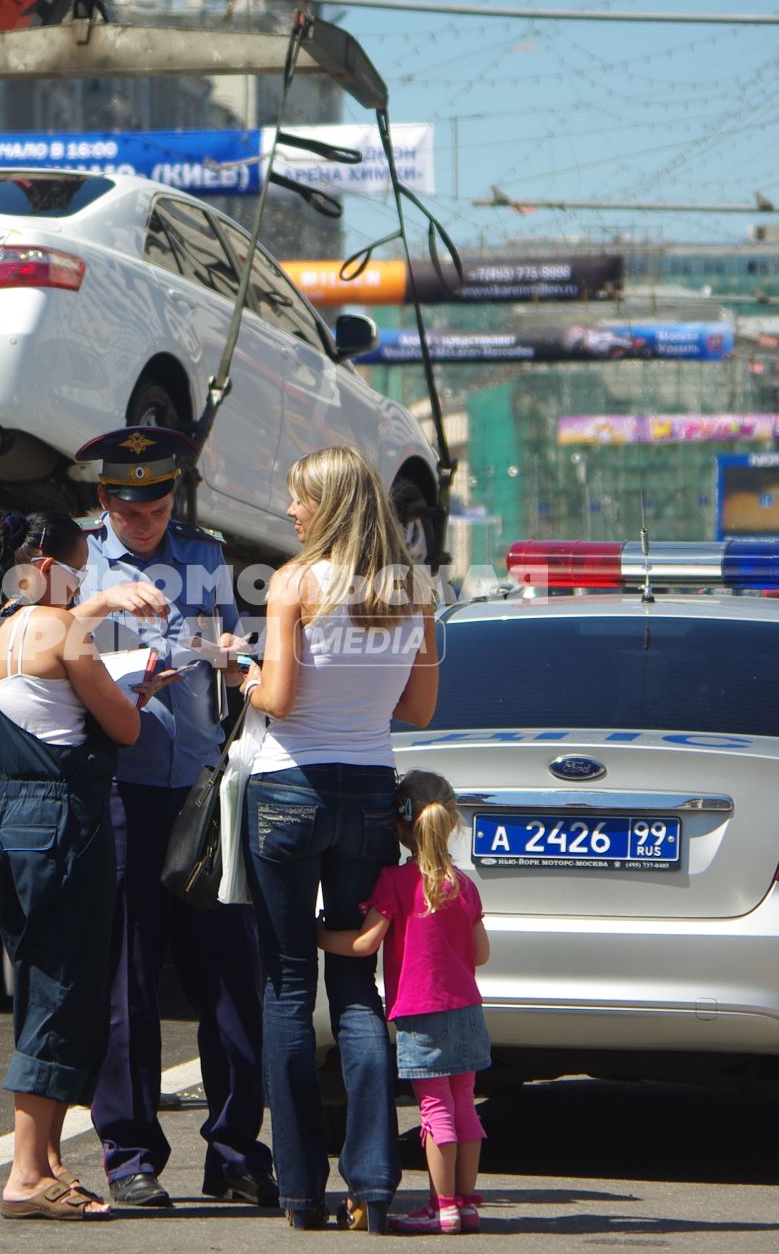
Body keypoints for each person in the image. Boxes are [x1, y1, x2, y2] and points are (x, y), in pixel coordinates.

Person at [69, 425, 276, 1209]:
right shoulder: (79, 564)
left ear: (171, 498)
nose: (142, 520)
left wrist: (227, 649)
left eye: (154, 505)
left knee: (228, 973)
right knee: (126, 979)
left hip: (195, 784)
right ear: (103, 501)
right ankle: (129, 1152)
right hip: (118, 787)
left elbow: (227, 646)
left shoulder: (203, 555)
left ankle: (233, 1148)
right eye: (127, 507)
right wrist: (98, 608)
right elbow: (47, 644)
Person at [240, 445, 440, 1232]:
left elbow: (280, 700)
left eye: (299, 501)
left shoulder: (293, 582)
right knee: (358, 989)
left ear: (327, 507)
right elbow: (418, 712)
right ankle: (374, 1184)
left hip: (287, 789)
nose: (290, 513)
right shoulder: (412, 590)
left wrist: (239, 673)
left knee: (288, 985)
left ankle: (298, 1190)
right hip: (365, 789)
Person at [0, 509, 171, 1221]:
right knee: (65, 985)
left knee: (39, 980)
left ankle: (46, 1160)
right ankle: (24, 1172)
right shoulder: (62, 628)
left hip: (7, 821)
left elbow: (31, 714)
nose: (82, 586)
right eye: (79, 572)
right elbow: (126, 729)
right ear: (44, 565)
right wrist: (134, 690)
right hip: (63, 819)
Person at [317, 770, 490, 1237]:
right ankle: (467, 1203)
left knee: (434, 1112)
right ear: (449, 820)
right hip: (467, 1011)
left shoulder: (395, 882)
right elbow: (481, 953)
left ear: (399, 825)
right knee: (465, 1106)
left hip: (420, 1012)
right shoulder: (465, 885)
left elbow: (364, 944)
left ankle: (443, 1207)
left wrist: (316, 933)